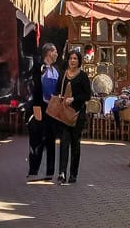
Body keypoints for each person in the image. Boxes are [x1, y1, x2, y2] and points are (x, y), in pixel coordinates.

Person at [55, 50, 91, 185]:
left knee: (75, 143)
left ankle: (73, 174)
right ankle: (62, 172)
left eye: (75, 58)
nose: (73, 61)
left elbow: (87, 95)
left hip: (77, 113)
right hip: (64, 113)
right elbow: (58, 89)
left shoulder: (82, 76)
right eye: (71, 58)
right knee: (64, 142)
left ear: (79, 61)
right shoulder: (63, 75)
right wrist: (60, 96)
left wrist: (74, 99)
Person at [26, 43, 59, 182]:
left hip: (52, 110)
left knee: (51, 141)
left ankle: (49, 172)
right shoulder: (38, 68)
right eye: (55, 51)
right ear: (49, 53)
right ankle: (34, 171)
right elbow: (33, 87)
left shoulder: (55, 70)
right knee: (36, 141)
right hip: (39, 108)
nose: (57, 54)